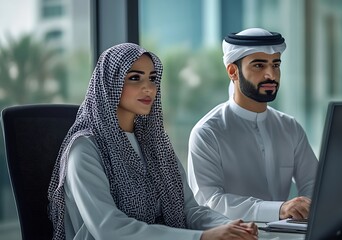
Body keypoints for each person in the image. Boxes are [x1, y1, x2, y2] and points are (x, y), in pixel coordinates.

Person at [47, 43, 258, 240]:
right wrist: (201, 237)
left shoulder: (154, 144)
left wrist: (233, 226)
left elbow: (189, 210)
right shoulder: (84, 149)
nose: (148, 88)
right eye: (135, 78)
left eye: (152, 78)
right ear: (110, 83)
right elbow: (109, 229)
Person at [187, 28, 319, 223]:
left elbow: (314, 184)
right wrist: (280, 209)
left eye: (276, 65)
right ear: (233, 71)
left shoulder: (290, 127)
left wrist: (306, 207)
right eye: (259, 65)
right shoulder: (207, 132)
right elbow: (209, 203)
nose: (270, 75)